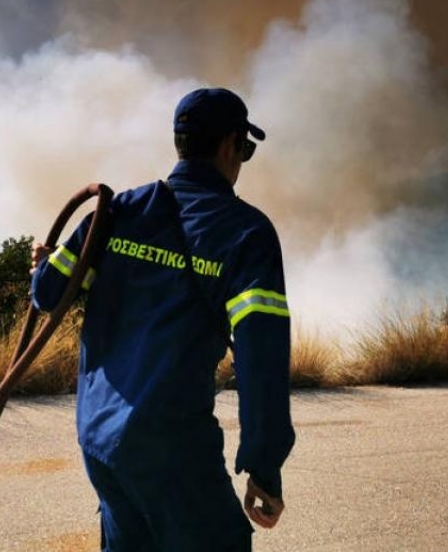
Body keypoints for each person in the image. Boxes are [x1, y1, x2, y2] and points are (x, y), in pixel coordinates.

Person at [30, 88, 295, 551]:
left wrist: (43, 264)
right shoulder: (246, 233)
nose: (242, 159)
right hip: (173, 446)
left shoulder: (117, 213)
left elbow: (47, 294)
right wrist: (264, 464)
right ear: (231, 146)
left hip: (100, 440)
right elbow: (261, 358)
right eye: (246, 150)